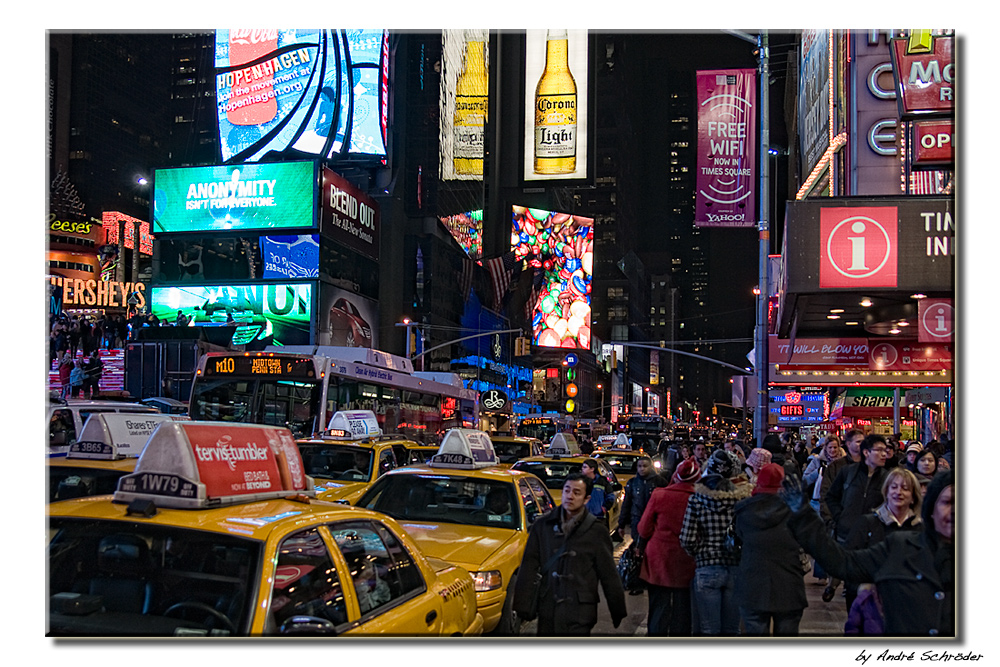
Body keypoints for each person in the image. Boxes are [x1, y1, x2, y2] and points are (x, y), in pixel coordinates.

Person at [780, 469, 954, 637]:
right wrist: (804, 517)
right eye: (947, 502)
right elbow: (842, 562)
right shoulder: (900, 547)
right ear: (932, 509)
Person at [512, 472, 627, 636]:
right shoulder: (542, 526)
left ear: (586, 499)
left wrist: (617, 608)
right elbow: (529, 565)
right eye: (567, 491)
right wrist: (522, 603)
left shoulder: (596, 531)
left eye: (576, 493)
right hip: (548, 605)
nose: (570, 496)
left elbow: (608, 573)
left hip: (581, 610)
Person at [679, 449, 751, 636]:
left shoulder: (697, 499)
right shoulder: (744, 499)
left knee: (709, 629)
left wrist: (700, 553)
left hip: (707, 567)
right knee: (732, 629)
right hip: (736, 567)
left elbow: (687, 538)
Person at [732, 463, 808, 636]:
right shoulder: (795, 511)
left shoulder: (744, 511)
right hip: (789, 586)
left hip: (752, 585)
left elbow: (738, 540)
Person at [823, 433, 890, 611]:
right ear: (866, 453)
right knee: (852, 588)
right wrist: (840, 517)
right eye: (879, 450)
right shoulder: (848, 473)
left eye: (886, 450)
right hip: (849, 537)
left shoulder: (888, 478)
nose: (884, 454)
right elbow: (831, 497)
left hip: (875, 541)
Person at [637, 457, 700, 636]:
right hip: (687, 560)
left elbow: (643, 528)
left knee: (658, 606)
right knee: (683, 609)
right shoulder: (699, 498)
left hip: (659, 559)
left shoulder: (660, 494)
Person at [615, 455, 665, 591]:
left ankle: (653, 578)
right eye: (640, 466)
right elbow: (627, 504)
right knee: (638, 552)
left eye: (645, 466)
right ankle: (638, 580)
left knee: (653, 551)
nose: (642, 469)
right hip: (637, 522)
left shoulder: (659, 482)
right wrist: (621, 524)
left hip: (654, 523)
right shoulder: (632, 483)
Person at [581, 458, 613, 523]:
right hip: (582, 517)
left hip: (598, 517)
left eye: (585, 467)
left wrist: (605, 508)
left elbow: (610, 496)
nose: (582, 469)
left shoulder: (602, 482)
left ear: (592, 469)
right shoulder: (580, 482)